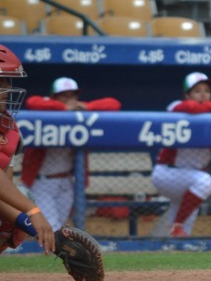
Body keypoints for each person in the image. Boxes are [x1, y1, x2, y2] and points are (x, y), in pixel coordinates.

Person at [22, 77, 122, 231]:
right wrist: (64, 108)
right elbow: (32, 102)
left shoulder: (79, 113)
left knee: (60, 226)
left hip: (66, 182)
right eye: (64, 95)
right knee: (51, 227)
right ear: (54, 96)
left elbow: (114, 104)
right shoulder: (45, 108)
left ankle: (50, 252)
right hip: (41, 181)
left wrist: (85, 106)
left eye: (72, 95)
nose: (69, 99)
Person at [152, 72, 211, 237]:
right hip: (167, 173)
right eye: (197, 91)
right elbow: (191, 107)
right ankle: (177, 226)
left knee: (184, 227)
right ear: (187, 95)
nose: (203, 95)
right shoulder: (175, 106)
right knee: (205, 182)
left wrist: (207, 107)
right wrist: (210, 107)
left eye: (207, 90)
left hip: (189, 178)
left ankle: (172, 242)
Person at [0, 44, 56, 254]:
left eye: (7, 81)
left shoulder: (8, 128)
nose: (7, 88)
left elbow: (3, 192)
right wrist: (32, 211)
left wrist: (28, 223)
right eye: (0, 81)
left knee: (9, 223)